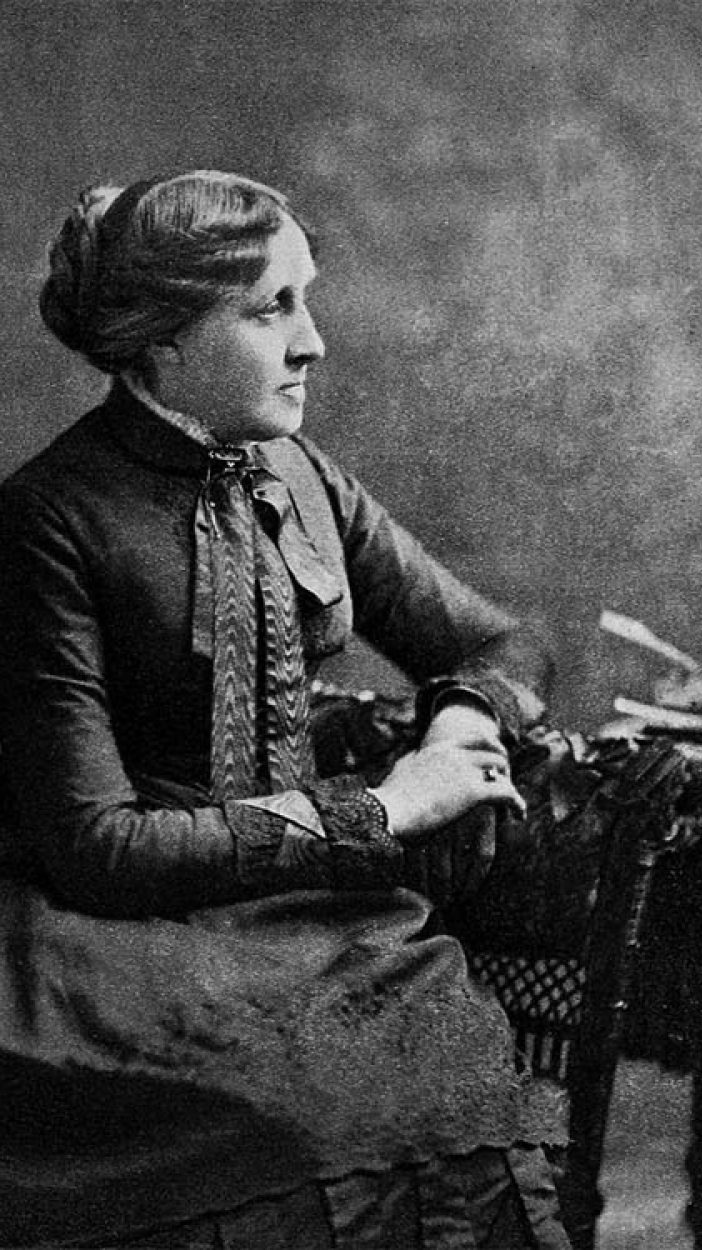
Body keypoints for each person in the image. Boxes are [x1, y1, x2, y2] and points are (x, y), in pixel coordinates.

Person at [0, 171, 576, 1248]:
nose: (312, 342)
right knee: (286, 1122)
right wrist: (389, 809)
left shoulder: (300, 475)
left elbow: (506, 640)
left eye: (306, 299)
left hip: (308, 916)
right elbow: (95, 846)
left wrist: (461, 718)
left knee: (449, 1076)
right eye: (273, 309)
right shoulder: (50, 518)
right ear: (160, 339)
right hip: (104, 939)